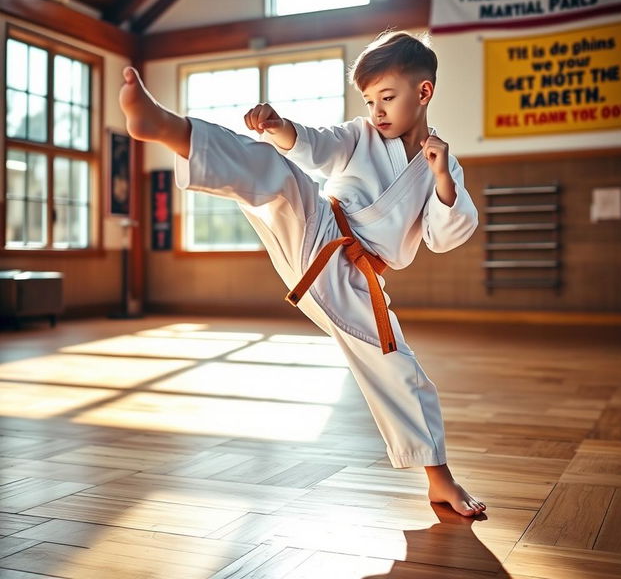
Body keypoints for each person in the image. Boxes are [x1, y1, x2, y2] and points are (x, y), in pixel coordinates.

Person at [119, 30, 486, 517]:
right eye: (370, 100)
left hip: (357, 279)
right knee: (281, 175)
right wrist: (280, 126)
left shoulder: (443, 166)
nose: (377, 111)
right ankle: (166, 127)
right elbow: (313, 146)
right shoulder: (360, 135)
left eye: (388, 98)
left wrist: (440, 175)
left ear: (424, 93)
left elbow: (445, 235)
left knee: (399, 369)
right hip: (320, 230)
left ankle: (440, 481)